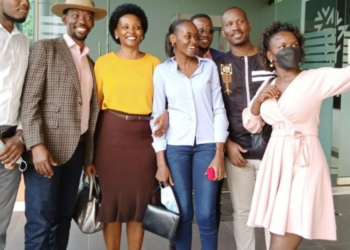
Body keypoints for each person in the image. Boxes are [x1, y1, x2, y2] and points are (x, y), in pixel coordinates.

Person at [243, 21, 350, 249]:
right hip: (276, 162)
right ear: (270, 55)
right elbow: (252, 124)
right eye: (282, 46)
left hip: (305, 161)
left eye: (294, 44)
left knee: (284, 238)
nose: (290, 49)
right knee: (277, 229)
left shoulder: (315, 78)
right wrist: (259, 100)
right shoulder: (268, 84)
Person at [20, 0, 106, 249]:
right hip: (46, 151)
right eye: (75, 15)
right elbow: (30, 101)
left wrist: (88, 159)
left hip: (76, 153)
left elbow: (89, 114)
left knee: (63, 218)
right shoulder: (46, 49)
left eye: (88, 16)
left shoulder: (91, 63)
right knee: (40, 221)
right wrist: (36, 145)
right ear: (64, 18)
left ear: (93, 22)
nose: (82, 20)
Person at [151, 19, 229, 250]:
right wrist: (161, 162)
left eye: (196, 36)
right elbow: (156, 117)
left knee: (206, 214)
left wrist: (219, 151)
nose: (194, 41)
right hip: (176, 148)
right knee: (183, 214)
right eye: (188, 36)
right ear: (173, 39)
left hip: (207, 147)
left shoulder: (209, 67)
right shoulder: (162, 71)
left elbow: (218, 108)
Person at [90, 4, 161, 250]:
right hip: (110, 136)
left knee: (138, 203)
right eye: (125, 27)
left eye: (137, 27)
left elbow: (164, 104)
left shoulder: (155, 63)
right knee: (110, 203)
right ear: (116, 32)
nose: (131, 31)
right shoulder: (103, 63)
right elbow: (94, 108)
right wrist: (90, 153)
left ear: (143, 32)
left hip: (144, 139)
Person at [214, 7, 274, 250]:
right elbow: (213, 109)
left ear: (249, 26)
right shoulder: (218, 65)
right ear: (224, 33)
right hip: (237, 150)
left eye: (240, 22)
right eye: (229, 24)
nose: (235, 27)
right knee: (242, 212)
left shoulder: (269, 59)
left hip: (272, 148)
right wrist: (227, 144)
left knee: (272, 211)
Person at [0, 0, 30, 249]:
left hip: (10, 143)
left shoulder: (24, 43)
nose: (26, 3)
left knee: (1, 223)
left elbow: (26, 96)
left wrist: (20, 135)